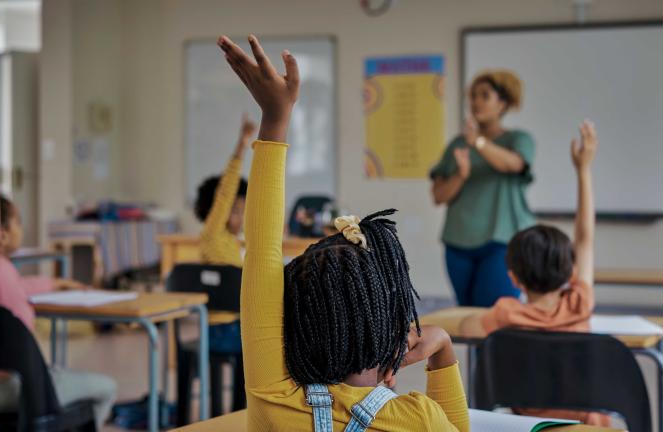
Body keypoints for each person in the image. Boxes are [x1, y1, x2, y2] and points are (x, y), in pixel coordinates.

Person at [218, 34, 469, 430]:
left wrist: (275, 117)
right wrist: (442, 351)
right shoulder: (419, 419)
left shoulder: (272, 397)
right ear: (391, 323)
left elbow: (262, 251)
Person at [0, 97, 117, 428]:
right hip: (19, 389)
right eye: (17, 223)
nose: (20, 229)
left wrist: (56, 283)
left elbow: (16, 287)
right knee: (106, 388)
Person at [459, 120, 608, 426]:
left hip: (529, 426)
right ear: (569, 271)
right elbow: (585, 238)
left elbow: (467, 326)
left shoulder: (505, 314)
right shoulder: (579, 302)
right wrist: (583, 170)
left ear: (513, 277)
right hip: (588, 425)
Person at [430, 70, 536, 307]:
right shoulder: (457, 145)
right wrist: (461, 175)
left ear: (503, 104)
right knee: (466, 315)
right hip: (458, 242)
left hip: (502, 241)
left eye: (485, 96)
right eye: (473, 96)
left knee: (496, 314)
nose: (476, 102)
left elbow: (513, 164)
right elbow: (438, 196)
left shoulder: (518, 139)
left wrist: (477, 141)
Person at [194, 114, 256, 354]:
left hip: (237, 325)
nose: (242, 217)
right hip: (221, 329)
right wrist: (242, 143)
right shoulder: (213, 234)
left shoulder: (234, 241)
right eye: (236, 211)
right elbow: (225, 193)